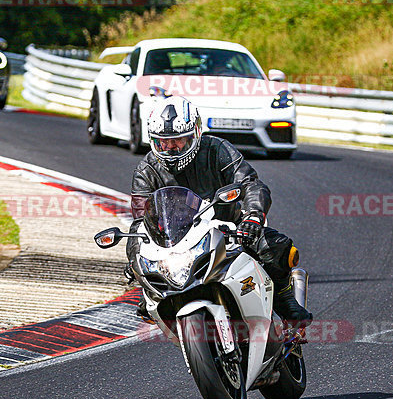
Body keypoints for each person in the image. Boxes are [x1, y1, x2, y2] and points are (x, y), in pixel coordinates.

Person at [128, 95, 313, 331]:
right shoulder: (147, 170)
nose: (171, 148)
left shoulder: (217, 149)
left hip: (231, 229)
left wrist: (253, 216)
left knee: (275, 247)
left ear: (195, 133)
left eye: (178, 141)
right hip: (178, 243)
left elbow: (250, 183)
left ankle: (285, 300)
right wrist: (133, 259)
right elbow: (139, 223)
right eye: (163, 142)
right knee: (148, 295)